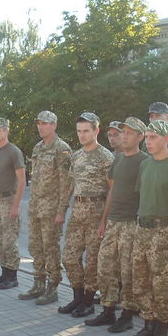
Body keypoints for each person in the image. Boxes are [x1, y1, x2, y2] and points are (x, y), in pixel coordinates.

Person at [126, 120, 168, 336]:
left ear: (166, 139)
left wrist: (167, 221)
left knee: (161, 283)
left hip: (163, 231)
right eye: (147, 137)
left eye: (153, 137)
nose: (148, 142)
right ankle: (148, 324)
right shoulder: (145, 165)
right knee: (140, 279)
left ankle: (162, 329)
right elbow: (142, 195)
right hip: (141, 229)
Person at [86, 117, 148, 331]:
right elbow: (112, 190)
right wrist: (104, 220)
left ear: (140, 137)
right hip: (113, 222)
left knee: (127, 271)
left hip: (132, 223)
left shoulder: (145, 162)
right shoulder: (118, 160)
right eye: (123, 132)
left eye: (130, 133)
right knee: (105, 267)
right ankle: (108, 310)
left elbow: (147, 195)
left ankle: (128, 315)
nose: (124, 136)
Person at [59, 112, 113, 317]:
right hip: (78, 211)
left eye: (86, 131)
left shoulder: (106, 157)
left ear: (96, 131)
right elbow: (71, 185)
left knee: (93, 260)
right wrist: (62, 209)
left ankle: (89, 301)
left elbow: (113, 190)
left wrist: (104, 220)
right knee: (69, 256)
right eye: (79, 131)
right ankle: (77, 296)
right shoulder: (76, 156)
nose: (82, 135)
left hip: (97, 211)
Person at [19, 111, 72, 304]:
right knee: (35, 246)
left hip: (51, 209)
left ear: (54, 125)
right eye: (39, 123)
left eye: (45, 123)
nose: (41, 126)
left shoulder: (62, 149)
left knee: (50, 248)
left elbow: (66, 184)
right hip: (36, 207)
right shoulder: (38, 148)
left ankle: (53, 287)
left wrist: (61, 211)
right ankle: (38, 283)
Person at [0, 117, 26, 290]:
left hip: (9, 200)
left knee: (9, 241)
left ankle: (12, 275)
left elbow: (22, 181)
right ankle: (4, 273)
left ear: (6, 131)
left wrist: (16, 205)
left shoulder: (14, 152)